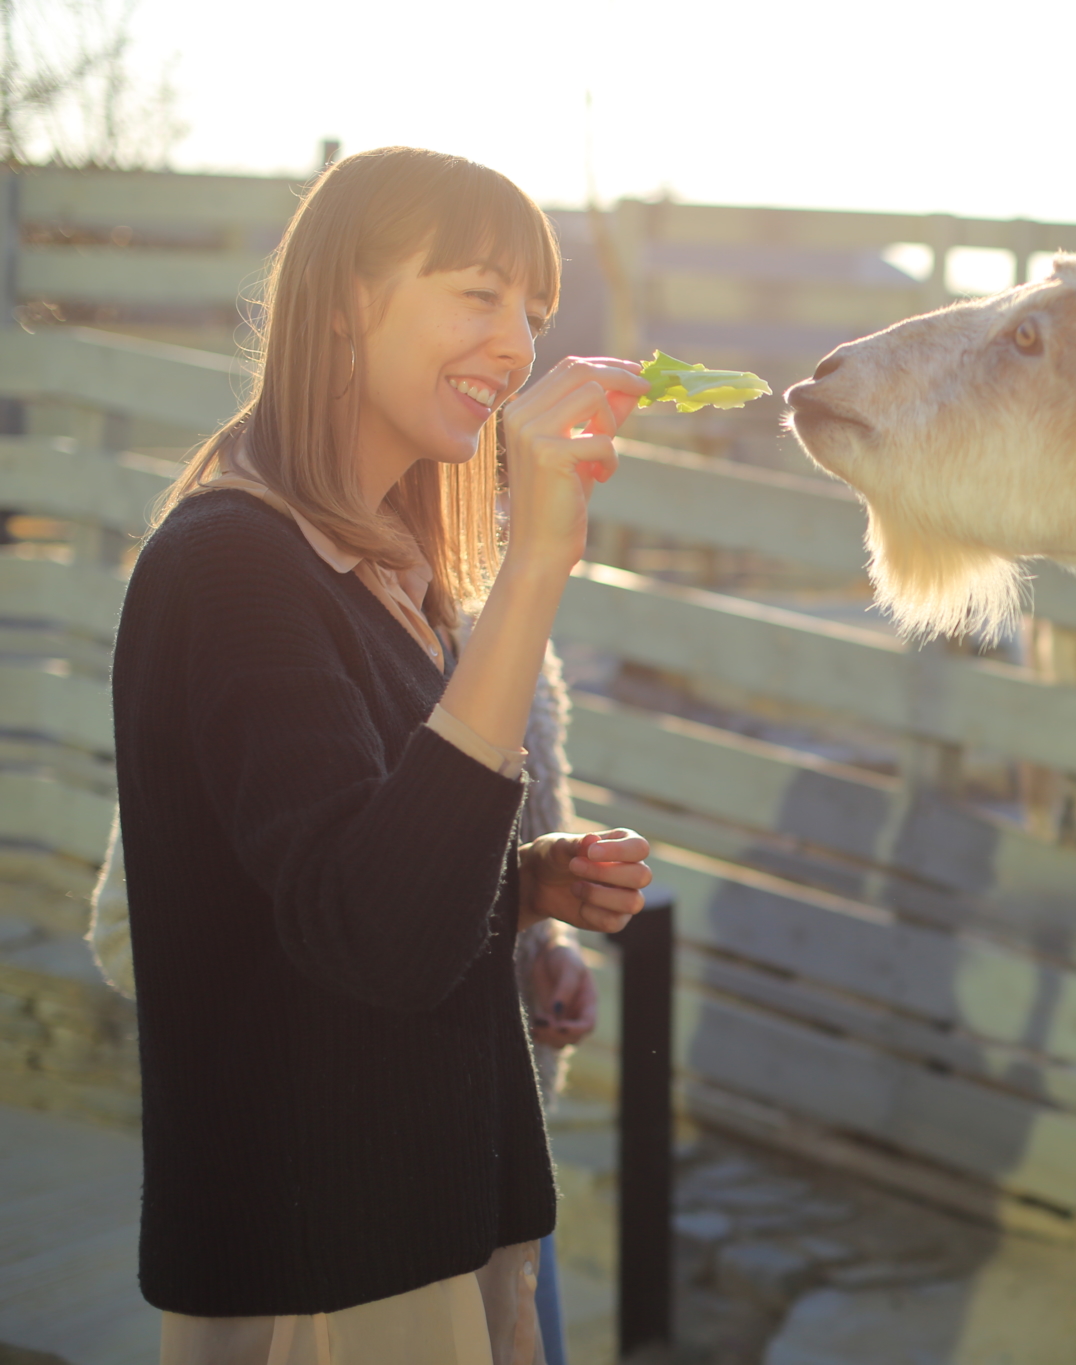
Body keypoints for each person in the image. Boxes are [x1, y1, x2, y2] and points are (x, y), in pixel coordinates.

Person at [110, 146, 652, 1365]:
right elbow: (378, 939)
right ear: (348, 299)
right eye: (476, 292)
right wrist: (537, 564)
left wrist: (523, 886)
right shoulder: (232, 568)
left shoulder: (388, 573)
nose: (516, 345)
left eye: (533, 311)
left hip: (437, 1229)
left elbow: (324, 891)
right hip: (330, 1272)